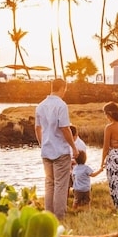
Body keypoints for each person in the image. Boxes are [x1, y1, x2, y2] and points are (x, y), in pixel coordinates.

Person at [35, 78, 78, 219]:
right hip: (60, 150)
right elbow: (65, 128)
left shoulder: (40, 105)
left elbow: (37, 128)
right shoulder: (61, 105)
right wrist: (74, 147)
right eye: (65, 89)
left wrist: (42, 143)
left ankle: (48, 216)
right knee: (60, 184)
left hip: (46, 150)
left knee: (49, 183)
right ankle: (59, 217)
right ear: (62, 88)